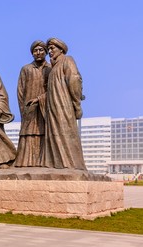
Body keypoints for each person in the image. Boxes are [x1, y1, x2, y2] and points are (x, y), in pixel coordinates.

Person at [41, 38, 86, 170]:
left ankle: (71, 164)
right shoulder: (54, 67)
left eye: (52, 48)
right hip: (53, 107)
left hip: (63, 105)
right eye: (48, 49)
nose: (50, 51)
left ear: (61, 49)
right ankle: (58, 163)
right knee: (55, 134)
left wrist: (76, 103)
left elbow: (74, 80)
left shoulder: (67, 60)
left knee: (65, 133)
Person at [15, 40, 51, 167]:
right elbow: (20, 90)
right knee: (28, 132)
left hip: (44, 108)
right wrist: (23, 108)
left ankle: (44, 161)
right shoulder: (26, 69)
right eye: (35, 50)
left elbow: (54, 90)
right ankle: (26, 162)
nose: (38, 53)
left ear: (46, 52)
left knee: (44, 132)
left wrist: (40, 99)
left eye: (41, 50)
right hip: (29, 108)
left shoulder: (50, 68)